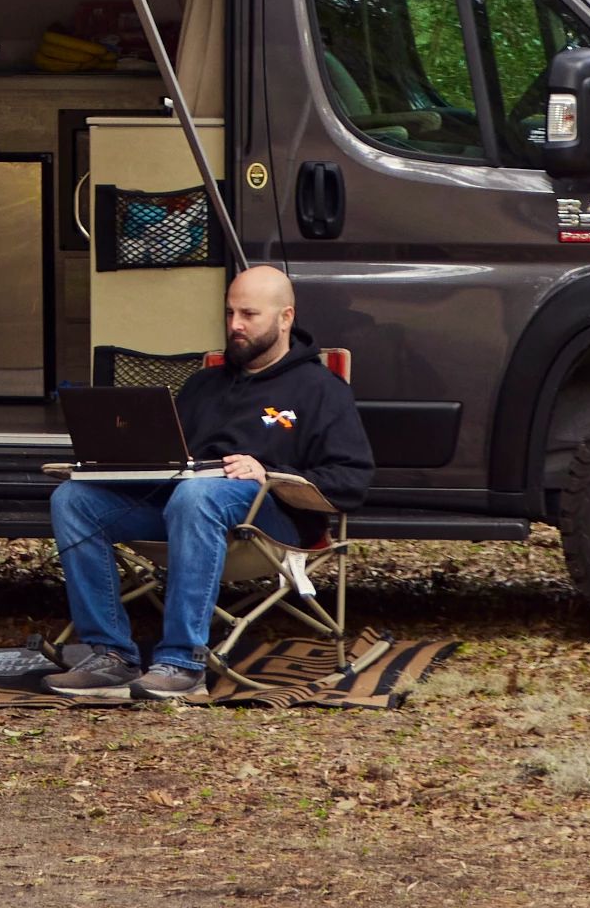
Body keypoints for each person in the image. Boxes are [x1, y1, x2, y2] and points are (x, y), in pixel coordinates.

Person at [47, 262, 373, 699]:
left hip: (271, 522)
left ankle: (182, 662)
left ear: (286, 318)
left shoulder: (320, 389)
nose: (235, 326)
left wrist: (271, 475)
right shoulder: (203, 385)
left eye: (249, 315)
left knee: (198, 493)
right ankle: (111, 656)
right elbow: (173, 461)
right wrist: (117, 463)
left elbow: (352, 482)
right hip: (184, 508)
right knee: (73, 499)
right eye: (230, 313)